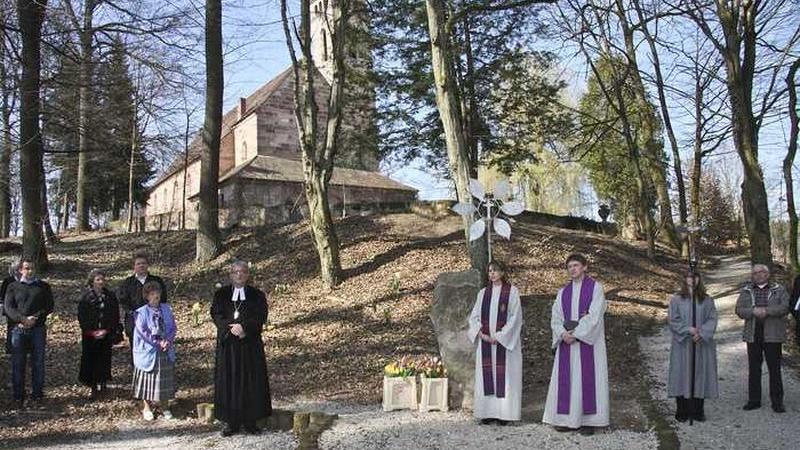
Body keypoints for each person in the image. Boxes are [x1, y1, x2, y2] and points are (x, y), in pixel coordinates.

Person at [543, 253, 609, 434]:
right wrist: (562, 333)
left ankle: (588, 421)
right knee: (568, 380)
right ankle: (566, 419)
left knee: (586, 379)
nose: (572, 269)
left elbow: (595, 316)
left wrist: (577, 334)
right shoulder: (563, 292)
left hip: (588, 343)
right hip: (567, 343)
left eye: (576, 265)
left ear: (585, 267)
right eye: (569, 266)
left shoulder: (596, 288)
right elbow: (555, 317)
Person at [211, 260, 271, 436]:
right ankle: (231, 422)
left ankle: (251, 421)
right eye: (236, 272)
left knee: (251, 381)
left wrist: (244, 328)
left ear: (247, 274)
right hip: (228, 346)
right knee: (230, 381)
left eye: (243, 272)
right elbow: (216, 314)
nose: (239, 275)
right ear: (230, 274)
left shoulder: (256, 295)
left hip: (249, 344)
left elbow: (261, 315)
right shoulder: (221, 294)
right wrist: (231, 327)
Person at [466, 260, 523, 425]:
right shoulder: (483, 293)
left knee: (505, 377)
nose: (492, 273)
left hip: (504, 344)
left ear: (503, 272)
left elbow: (515, 317)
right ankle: (488, 412)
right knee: (486, 377)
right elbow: (474, 317)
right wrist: (482, 335)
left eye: (495, 270)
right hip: (486, 343)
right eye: (490, 271)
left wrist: (500, 336)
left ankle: (504, 413)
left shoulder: (512, 292)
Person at [735, 264, 789, 413]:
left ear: (767, 274)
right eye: (755, 273)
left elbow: (785, 307)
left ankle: (777, 402)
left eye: (761, 272)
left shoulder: (779, 289)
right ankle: (754, 400)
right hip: (753, 333)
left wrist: (767, 311)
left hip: (773, 334)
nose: (758, 275)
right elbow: (739, 309)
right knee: (754, 368)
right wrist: (753, 311)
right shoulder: (746, 291)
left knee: (774, 368)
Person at [667, 271, 719, 422]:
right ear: (684, 279)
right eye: (689, 276)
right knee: (681, 374)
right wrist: (687, 330)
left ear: (699, 279)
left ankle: (698, 410)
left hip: (701, 344)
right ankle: (682, 410)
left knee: (699, 375)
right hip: (682, 344)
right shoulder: (676, 300)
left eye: (695, 276)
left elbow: (712, 318)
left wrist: (702, 333)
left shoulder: (707, 300)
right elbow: (672, 319)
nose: (692, 279)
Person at [3, 258, 54, 408]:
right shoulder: (12, 286)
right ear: (20, 270)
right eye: (26, 268)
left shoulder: (43, 287)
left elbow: (49, 306)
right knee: (18, 363)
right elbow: (8, 307)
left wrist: (35, 318)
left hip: (38, 329)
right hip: (18, 330)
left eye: (32, 268)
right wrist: (22, 319)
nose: (29, 271)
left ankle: (37, 394)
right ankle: (18, 396)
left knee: (38, 362)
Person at [132, 281, 176, 421]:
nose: (155, 296)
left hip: (165, 349)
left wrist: (168, 340)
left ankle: (165, 407)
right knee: (147, 381)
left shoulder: (166, 309)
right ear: (147, 296)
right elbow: (142, 332)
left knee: (164, 381)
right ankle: (146, 407)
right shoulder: (141, 312)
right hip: (148, 351)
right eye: (152, 294)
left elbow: (173, 327)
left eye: (157, 293)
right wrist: (158, 342)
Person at [78, 269, 121, 398]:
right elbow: (82, 317)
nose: (101, 282)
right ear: (92, 282)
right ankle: (92, 387)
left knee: (104, 359)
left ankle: (103, 384)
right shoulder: (86, 298)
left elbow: (115, 314)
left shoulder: (110, 296)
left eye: (102, 279)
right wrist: (92, 331)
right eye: (98, 280)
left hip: (106, 334)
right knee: (90, 359)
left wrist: (107, 330)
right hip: (90, 335)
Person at [118, 252, 168, 350]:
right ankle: (136, 365)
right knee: (136, 348)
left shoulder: (156, 280)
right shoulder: (128, 283)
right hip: (134, 320)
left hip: (154, 319)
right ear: (134, 267)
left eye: (143, 263)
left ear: (147, 265)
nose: (141, 265)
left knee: (154, 346)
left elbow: (163, 298)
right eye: (138, 264)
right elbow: (123, 301)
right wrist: (133, 313)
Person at [1, 257, 20, 354]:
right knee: (11, 329)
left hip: (22, 309)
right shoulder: (7, 281)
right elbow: (2, 296)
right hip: (10, 309)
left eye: (19, 269)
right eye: (16, 270)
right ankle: (9, 349)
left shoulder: (25, 281)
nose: (18, 272)